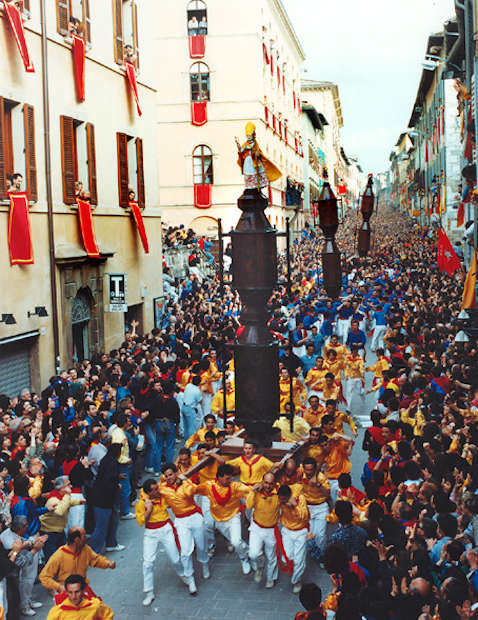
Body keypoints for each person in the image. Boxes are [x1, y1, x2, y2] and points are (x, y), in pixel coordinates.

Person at [159, 463, 209, 594]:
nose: (169, 477)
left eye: (171, 474)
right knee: (185, 551)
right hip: (180, 520)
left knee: (201, 545)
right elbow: (147, 491)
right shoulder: (162, 488)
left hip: (194, 516)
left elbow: (195, 490)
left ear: (176, 473)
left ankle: (204, 563)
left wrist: (185, 480)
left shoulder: (186, 483)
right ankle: (190, 578)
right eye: (166, 476)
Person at [135, 478, 185, 606]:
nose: (158, 490)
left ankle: (185, 576)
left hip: (166, 529)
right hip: (151, 532)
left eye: (157, 488)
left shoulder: (162, 494)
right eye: (154, 490)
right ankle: (149, 592)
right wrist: (149, 510)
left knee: (175, 558)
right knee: (148, 563)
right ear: (149, 493)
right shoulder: (142, 503)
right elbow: (141, 522)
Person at [196, 464, 251, 574]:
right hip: (219, 520)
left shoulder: (235, 486)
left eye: (230, 478)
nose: (230, 480)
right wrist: (183, 481)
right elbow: (193, 489)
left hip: (234, 517)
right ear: (219, 477)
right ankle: (249, 551)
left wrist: (259, 487)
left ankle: (243, 559)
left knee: (235, 542)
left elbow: (248, 489)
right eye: (227, 478)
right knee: (237, 542)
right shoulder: (208, 486)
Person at [39, 527, 114, 597]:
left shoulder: (85, 549)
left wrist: (107, 563)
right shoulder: (59, 555)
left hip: (82, 589)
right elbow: (44, 576)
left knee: (98, 607)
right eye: (84, 536)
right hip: (66, 593)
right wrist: (59, 587)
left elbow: (96, 560)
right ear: (77, 540)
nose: (86, 538)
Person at [0, 516, 46, 616]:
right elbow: (20, 562)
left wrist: (33, 542)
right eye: (26, 525)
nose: (28, 526)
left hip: (18, 568)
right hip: (12, 573)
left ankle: (27, 601)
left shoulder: (12, 532)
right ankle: (24, 607)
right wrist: (34, 550)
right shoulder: (9, 541)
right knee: (15, 595)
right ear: (21, 528)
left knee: (27, 584)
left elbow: (24, 541)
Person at [39, 476, 85, 562]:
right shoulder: (53, 500)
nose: (71, 486)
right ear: (61, 488)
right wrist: (68, 495)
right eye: (68, 485)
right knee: (53, 559)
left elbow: (66, 503)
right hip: (49, 532)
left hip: (59, 531)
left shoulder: (60, 496)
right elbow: (60, 510)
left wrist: (78, 502)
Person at [88, 443, 123, 554]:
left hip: (102, 498)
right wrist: (116, 485)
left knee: (109, 522)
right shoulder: (112, 464)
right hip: (104, 500)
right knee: (101, 527)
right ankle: (93, 552)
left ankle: (111, 543)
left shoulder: (106, 460)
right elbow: (107, 482)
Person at [246, 473, 279, 588]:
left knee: (271, 556)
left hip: (271, 530)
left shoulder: (278, 493)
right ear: (262, 482)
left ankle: (271, 578)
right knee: (253, 554)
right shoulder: (256, 492)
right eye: (266, 482)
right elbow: (249, 506)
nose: (268, 486)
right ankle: (259, 567)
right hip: (257, 528)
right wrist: (252, 491)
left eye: (271, 483)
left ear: (274, 484)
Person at [278, 485, 310, 594]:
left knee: (299, 560)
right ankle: (293, 569)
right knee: (286, 557)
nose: (281, 501)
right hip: (287, 531)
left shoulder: (300, 499)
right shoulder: (279, 500)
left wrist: (294, 506)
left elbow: (304, 516)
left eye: (283, 499)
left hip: (300, 532)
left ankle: (296, 581)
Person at [45, 574, 113, 619]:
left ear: (83, 591)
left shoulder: (95, 605)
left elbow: (108, 616)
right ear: (66, 592)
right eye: (70, 592)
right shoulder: (58, 611)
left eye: (77, 592)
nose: (74, 597)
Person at [300, 457, 331, 555]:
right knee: (310, 534)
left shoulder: (321, 477)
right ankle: (312, 551)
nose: (308, 472)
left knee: (320, 535)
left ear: (314, 469)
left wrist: (318, 485)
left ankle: (322, 556)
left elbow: (327, 494)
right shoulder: (300, 474)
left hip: (321, 507)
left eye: (311, 470)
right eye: (306, 469)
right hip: (306, 508)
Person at [110, 412, 134, 519]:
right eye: (128, 420)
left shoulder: (117, 432)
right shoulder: (120, 436)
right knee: (125, 488)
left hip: (122, 463)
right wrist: (126, 460)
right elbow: (118, 452)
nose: (129, 422)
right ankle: (124, 511)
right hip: (122, 464)